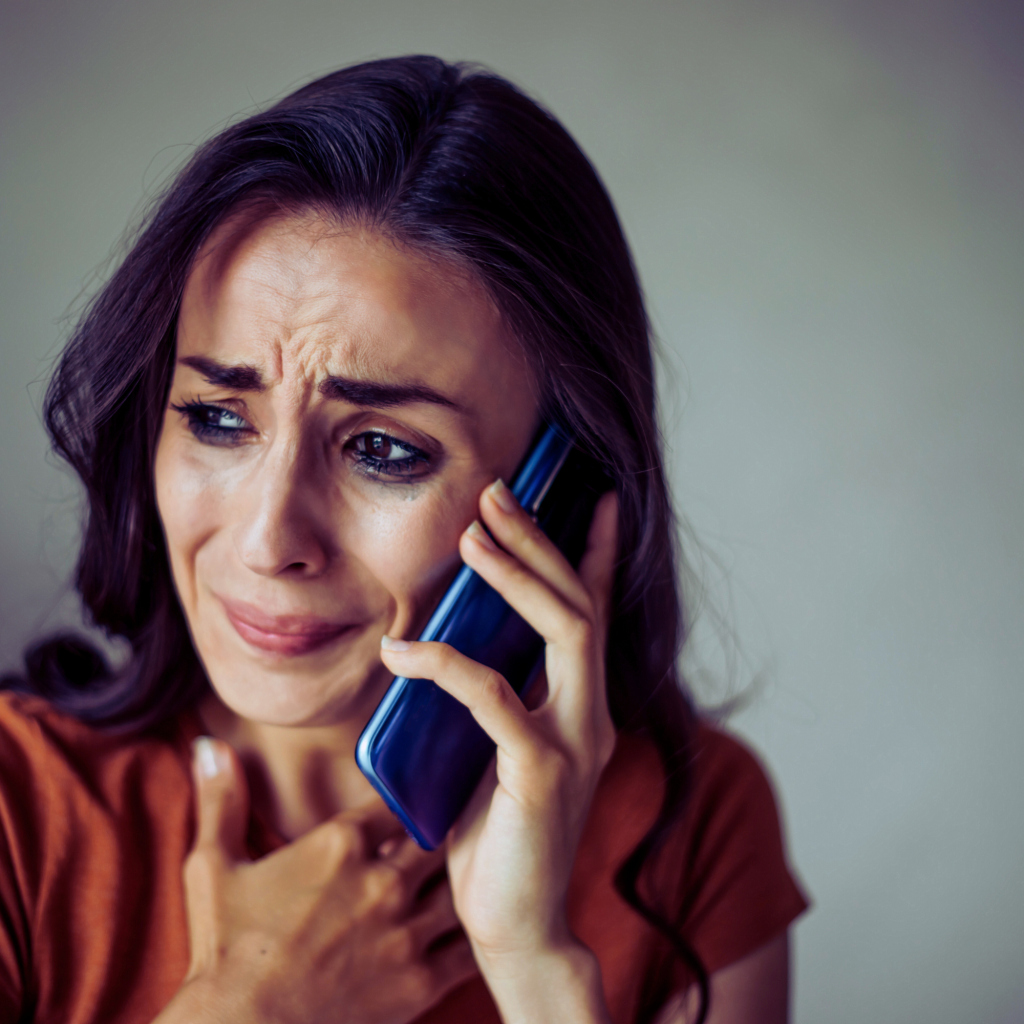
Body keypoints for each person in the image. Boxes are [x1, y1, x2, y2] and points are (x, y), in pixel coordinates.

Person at [0, 56, 807, 1024]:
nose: (267, 538)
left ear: (558, 488)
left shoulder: (691, 825)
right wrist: (251, 1007)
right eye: (217, 417)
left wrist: (538, 966)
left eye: (383, 449)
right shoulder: (18, 808)